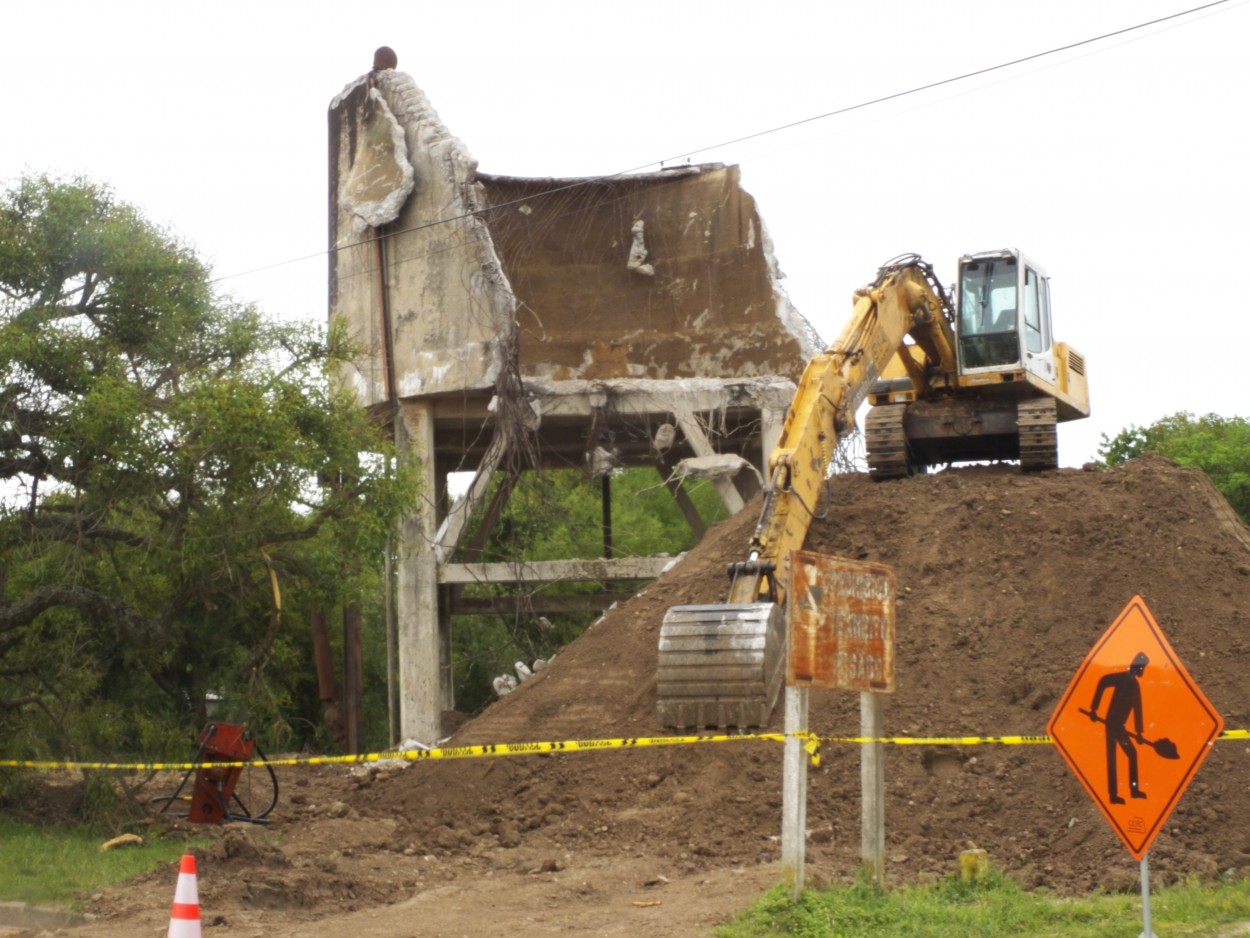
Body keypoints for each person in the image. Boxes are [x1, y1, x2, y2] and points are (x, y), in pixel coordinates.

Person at [1088, 652, 1150, 804]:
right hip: (1112, 724)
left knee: (1131, 755)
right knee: (1112, 759)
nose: (1143, 671)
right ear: (1138, 666)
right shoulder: (1121, 678)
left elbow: (1138, 708)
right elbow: (1102, 681)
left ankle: (1133, 790)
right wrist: (1094, 709)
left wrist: (1139, 732)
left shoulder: (1135, 685)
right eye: (1143, 668)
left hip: (1120, 726)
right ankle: (1114, 795)